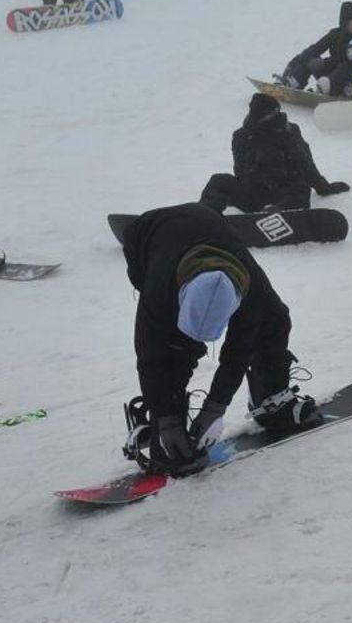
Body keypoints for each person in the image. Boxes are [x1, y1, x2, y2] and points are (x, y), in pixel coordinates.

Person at [118, 203, 320, 475]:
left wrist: (215, 408)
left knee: (274, 319)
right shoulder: (159, 290)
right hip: (147, 237)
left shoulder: (252, 292)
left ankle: (270, 399)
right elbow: (150, 357)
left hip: (210, 228)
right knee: (174, 351)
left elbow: (238, 352)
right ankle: (166, 428)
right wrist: (166, 420)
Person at [199, 94, 350, 214]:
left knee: (301, 189)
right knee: (218, 180)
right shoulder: (242, 136)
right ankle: (205, 215)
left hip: (284, 191)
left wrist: (323, 187)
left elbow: (306, 163)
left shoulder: (290, 131)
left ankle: (276, 215)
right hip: (254, 192)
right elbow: (239, 170)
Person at [279, 1, 352, 98]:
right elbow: (316, 48)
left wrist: (324, 63)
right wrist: (295, 63)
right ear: (345, 24)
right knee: (309, 57)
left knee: (346, 65)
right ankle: (293, 82)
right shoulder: (335, 34)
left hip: (349, 76)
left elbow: (350, 59)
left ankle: (338, 89)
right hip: (330, 75)